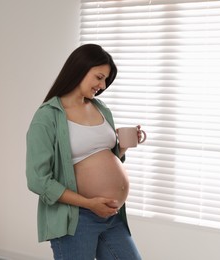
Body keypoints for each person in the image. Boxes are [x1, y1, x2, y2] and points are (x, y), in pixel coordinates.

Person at [26, 44, 143, 260]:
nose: (103, 85)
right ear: (80, 69)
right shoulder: (47, 116)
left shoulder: (101, 108)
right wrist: (90, 204)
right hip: (77, 219)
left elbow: (106, 158)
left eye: (106, 80)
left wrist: (124, 146)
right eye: (99, 77)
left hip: (113, 216)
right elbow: (38, 180)